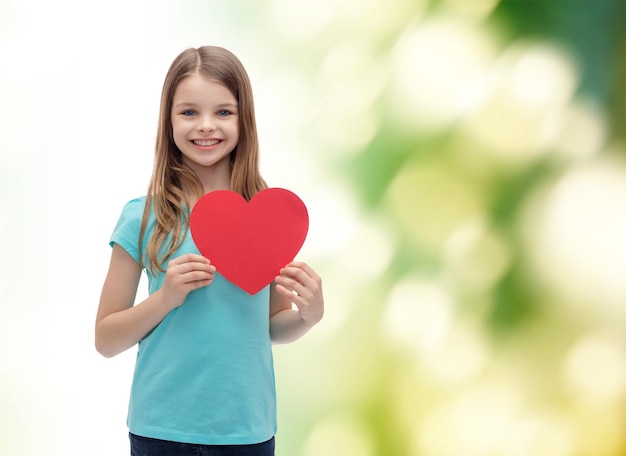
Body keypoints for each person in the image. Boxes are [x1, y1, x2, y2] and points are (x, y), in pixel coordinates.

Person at [95, 45, 324, 456]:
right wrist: (167, 297)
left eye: (223, 112)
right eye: (188, 112)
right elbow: (106, 339)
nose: (205, 126)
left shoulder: (269, 218)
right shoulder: (143, 217)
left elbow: (268, 327)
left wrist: (308, 316)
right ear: (168, 120)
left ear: (244, 119)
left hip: (246, 431)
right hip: (160, 430)